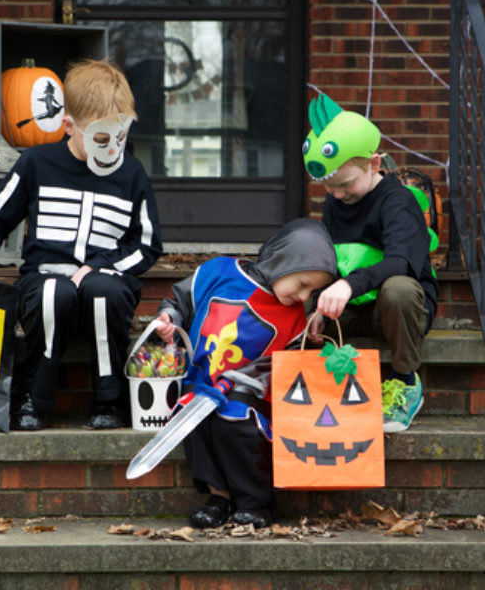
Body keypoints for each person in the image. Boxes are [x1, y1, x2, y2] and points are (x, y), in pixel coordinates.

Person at [0, 59, 163, 431]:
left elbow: (147, 245)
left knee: (102, 290)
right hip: (46, 284)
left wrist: (100, 267)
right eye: (101, 137)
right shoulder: (37, 163)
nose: (112, 147)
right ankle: (34, 399)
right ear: (69, 126)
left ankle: (110, 398)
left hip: (106, 283)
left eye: (120, 135)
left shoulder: (131, 173)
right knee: (55, 293)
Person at [153, 219, 337, 529]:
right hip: (201, 384)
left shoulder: (295, 317)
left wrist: (309, 341)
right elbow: (180, 301)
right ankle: (218, 497)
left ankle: (255, 501)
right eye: (303, 284)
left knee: (235, 421)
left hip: (249, 394)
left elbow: (287, 367)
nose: (306, 297)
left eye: (314, 291)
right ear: (282, 263)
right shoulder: (218, 273)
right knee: (196, 418)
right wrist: (168, 318)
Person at [303, 93, 438, 433]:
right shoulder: (338, 199)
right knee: (297, 299)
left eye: (345, 184)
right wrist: (317, 307)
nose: (335, 195)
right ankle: (303, 389)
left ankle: (405, 381)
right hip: (354, 308)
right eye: (329, 187)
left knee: (399, 290)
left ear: (374, 164)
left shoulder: (398, 201)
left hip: (395, 311)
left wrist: (348, 284)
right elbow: (330, 258)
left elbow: (400, 263)